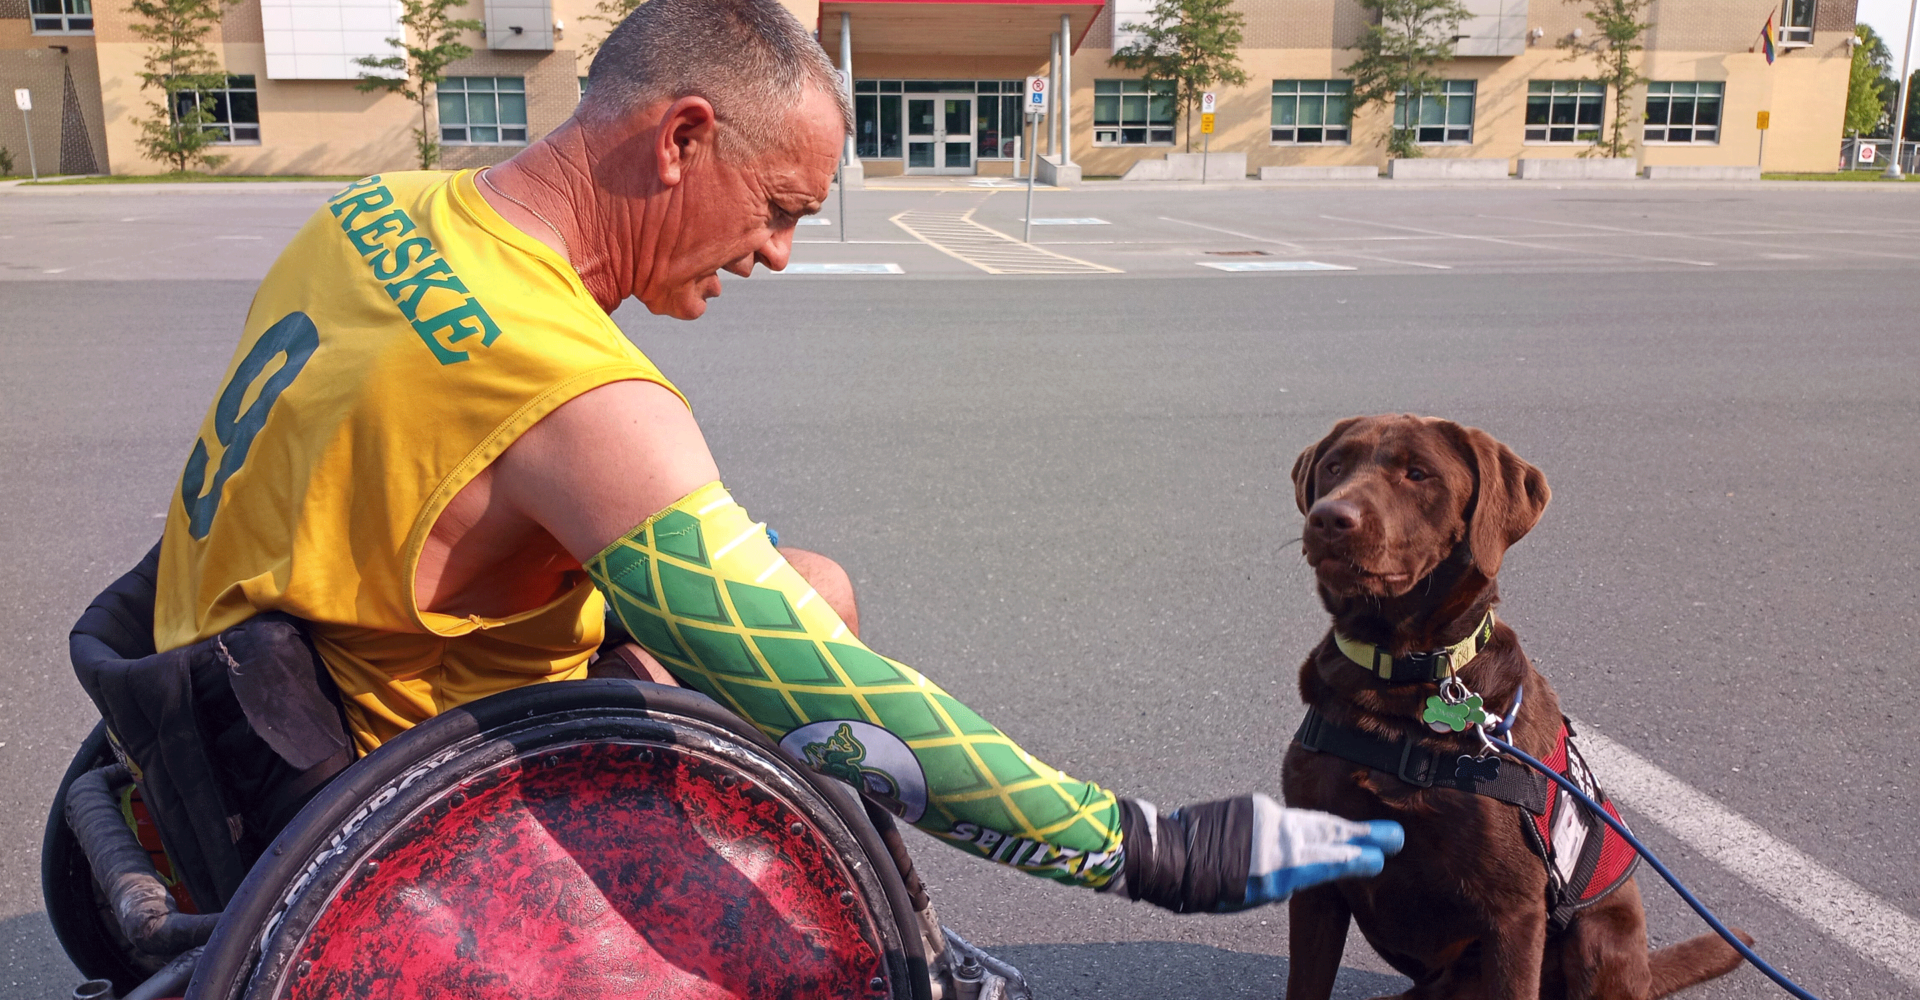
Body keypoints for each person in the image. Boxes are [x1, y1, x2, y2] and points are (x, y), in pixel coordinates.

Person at [153, 0, 1400, 925]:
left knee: (815, 577)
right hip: (387, 793)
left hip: (239, 709)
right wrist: (1153, 845)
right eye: (781, 207)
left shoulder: (376, 210)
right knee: (816, 651)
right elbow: (826, 692)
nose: (781, 254)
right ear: (683, 136)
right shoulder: (574, 393)